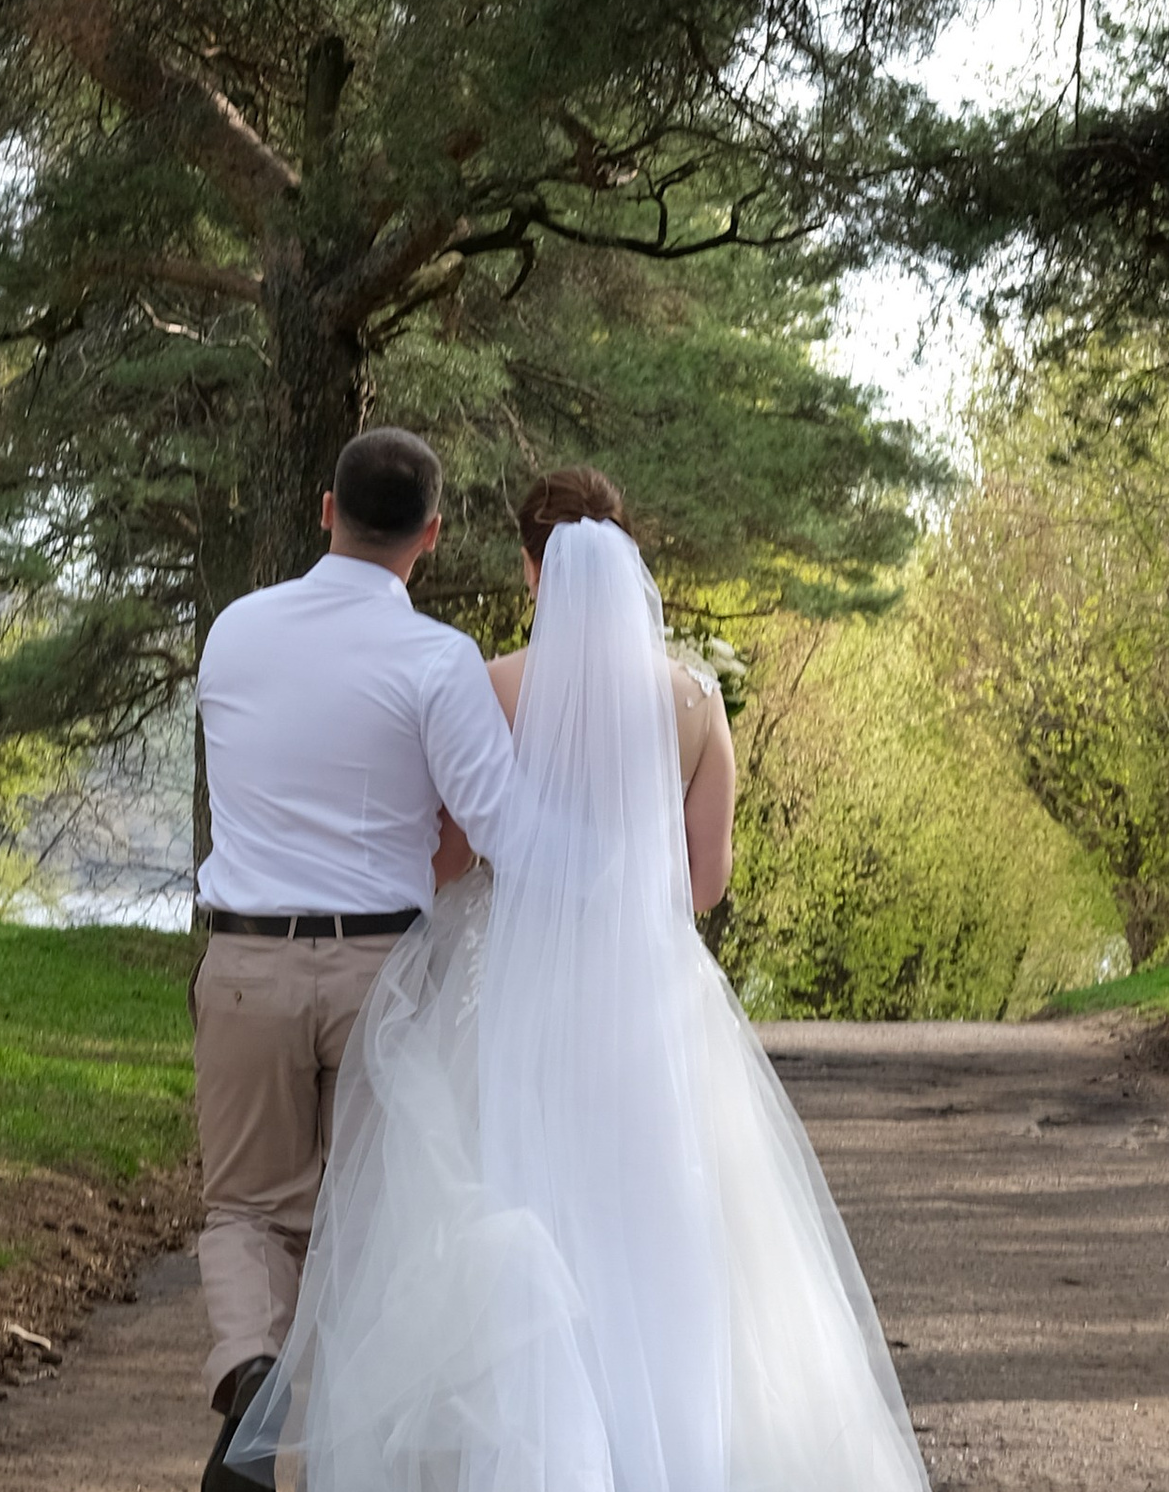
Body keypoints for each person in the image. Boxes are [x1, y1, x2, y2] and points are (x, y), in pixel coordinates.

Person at [229, 469, 930, 1492]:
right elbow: (704, 883)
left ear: (531, 565)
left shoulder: (496, 684)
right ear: (632, 557)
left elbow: (456, 854)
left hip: (514, 998)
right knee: (672, 1234)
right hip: (654, 1007)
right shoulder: (694, 700)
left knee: (520, 1207)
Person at [190, 427, 518, 1492]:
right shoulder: (435, 658)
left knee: (249, 1207)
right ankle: (348, 1449)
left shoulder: (235, 633)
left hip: (246, 961)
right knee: (375, 1217)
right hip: (384, 971)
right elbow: (502, 827)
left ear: (324, 510)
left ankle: (250, 1372)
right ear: (430, 535)